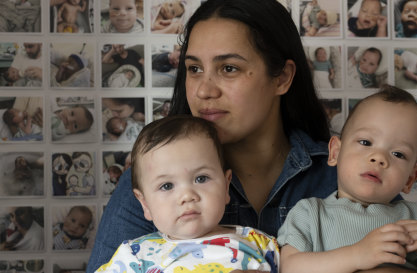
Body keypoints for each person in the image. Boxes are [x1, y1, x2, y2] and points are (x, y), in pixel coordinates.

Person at [87, 0, 338, 273]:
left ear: (282, 77)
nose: (204, 90)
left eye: (229, 68)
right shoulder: (152, 179)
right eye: (194, 69)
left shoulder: (342, 175)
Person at [278, 85, 417, 273]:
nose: (379, 158)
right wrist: (357, 255)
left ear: (411, 178)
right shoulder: (310, 214)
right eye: (366, 142)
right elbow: (289, 267)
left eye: (398, 154)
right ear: (335, 153)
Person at [95, 115, 279, 273]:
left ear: (225, 186)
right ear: (145, 204)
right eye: (167, 186)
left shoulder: (261, 244)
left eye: (201, 179)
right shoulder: (134, 255)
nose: (187, 196)